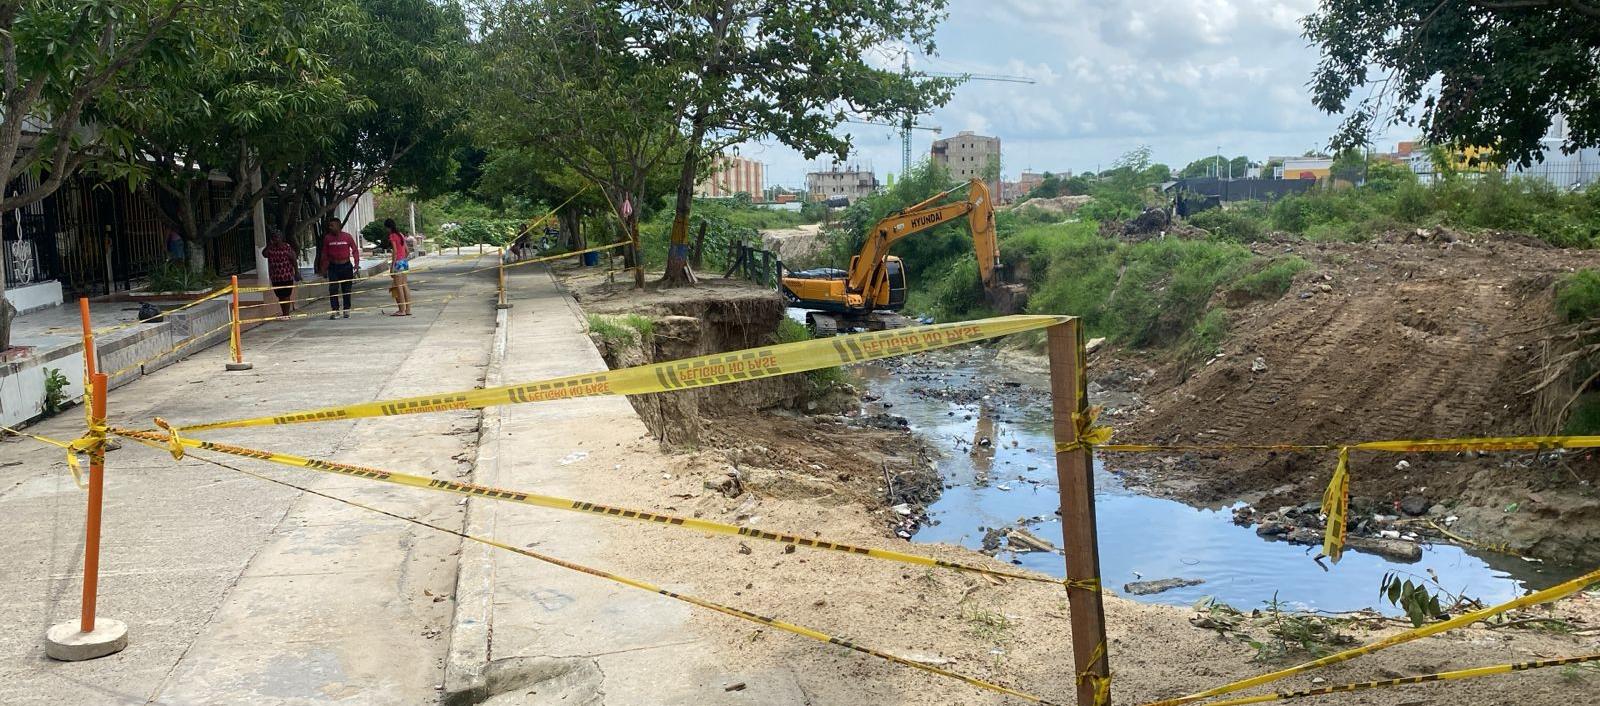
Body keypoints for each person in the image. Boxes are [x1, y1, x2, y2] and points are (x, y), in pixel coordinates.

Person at [316, 217, 360, 319]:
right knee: (333, 289)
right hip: (333, 267)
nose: (330, 227)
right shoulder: (327, 238)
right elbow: (324, 254)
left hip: (346, 266)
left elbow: (355, 250)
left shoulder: (347, 237)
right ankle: (335, 310)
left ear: (338, 226)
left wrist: (356, 264)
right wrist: (323, 268)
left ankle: (346, 310)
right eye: (329, 226)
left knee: (346, 289)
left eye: (332, 225)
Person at [262, 230, 300, 317]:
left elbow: (294, 260)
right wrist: (269, 245)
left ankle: (286, 314)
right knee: (280, 296)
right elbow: (264, 254)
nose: (276, 239)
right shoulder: (271, 249)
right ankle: (284, 313)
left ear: (281, 238)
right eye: (274, 237)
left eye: (277, 237)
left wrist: (296, 272)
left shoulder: (287, 247)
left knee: (286, 295)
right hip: (275, 277)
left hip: (286, 276)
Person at [384, 218, 412, 316]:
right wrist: (403, 259)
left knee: (398, 286)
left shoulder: (392, 236)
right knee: (404, 285)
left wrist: (392, 266)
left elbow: (395, 251)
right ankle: (408, 309)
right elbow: (407, 251)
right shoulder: (400, 235)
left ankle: (402, 310)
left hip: (397, 262)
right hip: (404, 262)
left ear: (388, 227)